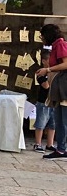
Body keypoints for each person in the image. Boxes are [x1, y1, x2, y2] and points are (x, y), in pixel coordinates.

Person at [38, 24, 67, 159]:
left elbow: (65, 63)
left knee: (63, 119)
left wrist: (48, 70)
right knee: (59, 118)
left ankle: (62, 148)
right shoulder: (55, 46)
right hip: (58, 85)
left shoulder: (60, 44)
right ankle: (61, 148)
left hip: (64, 85)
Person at [33, 49, 55, 152]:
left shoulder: (54, 72)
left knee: (53, 124)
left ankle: (50, 144)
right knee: (40, 123)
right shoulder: (40, 73)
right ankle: (38, 143)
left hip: (54, 101)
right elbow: (46, 85)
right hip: (43, 102)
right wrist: (50, 75)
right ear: (44, 61)